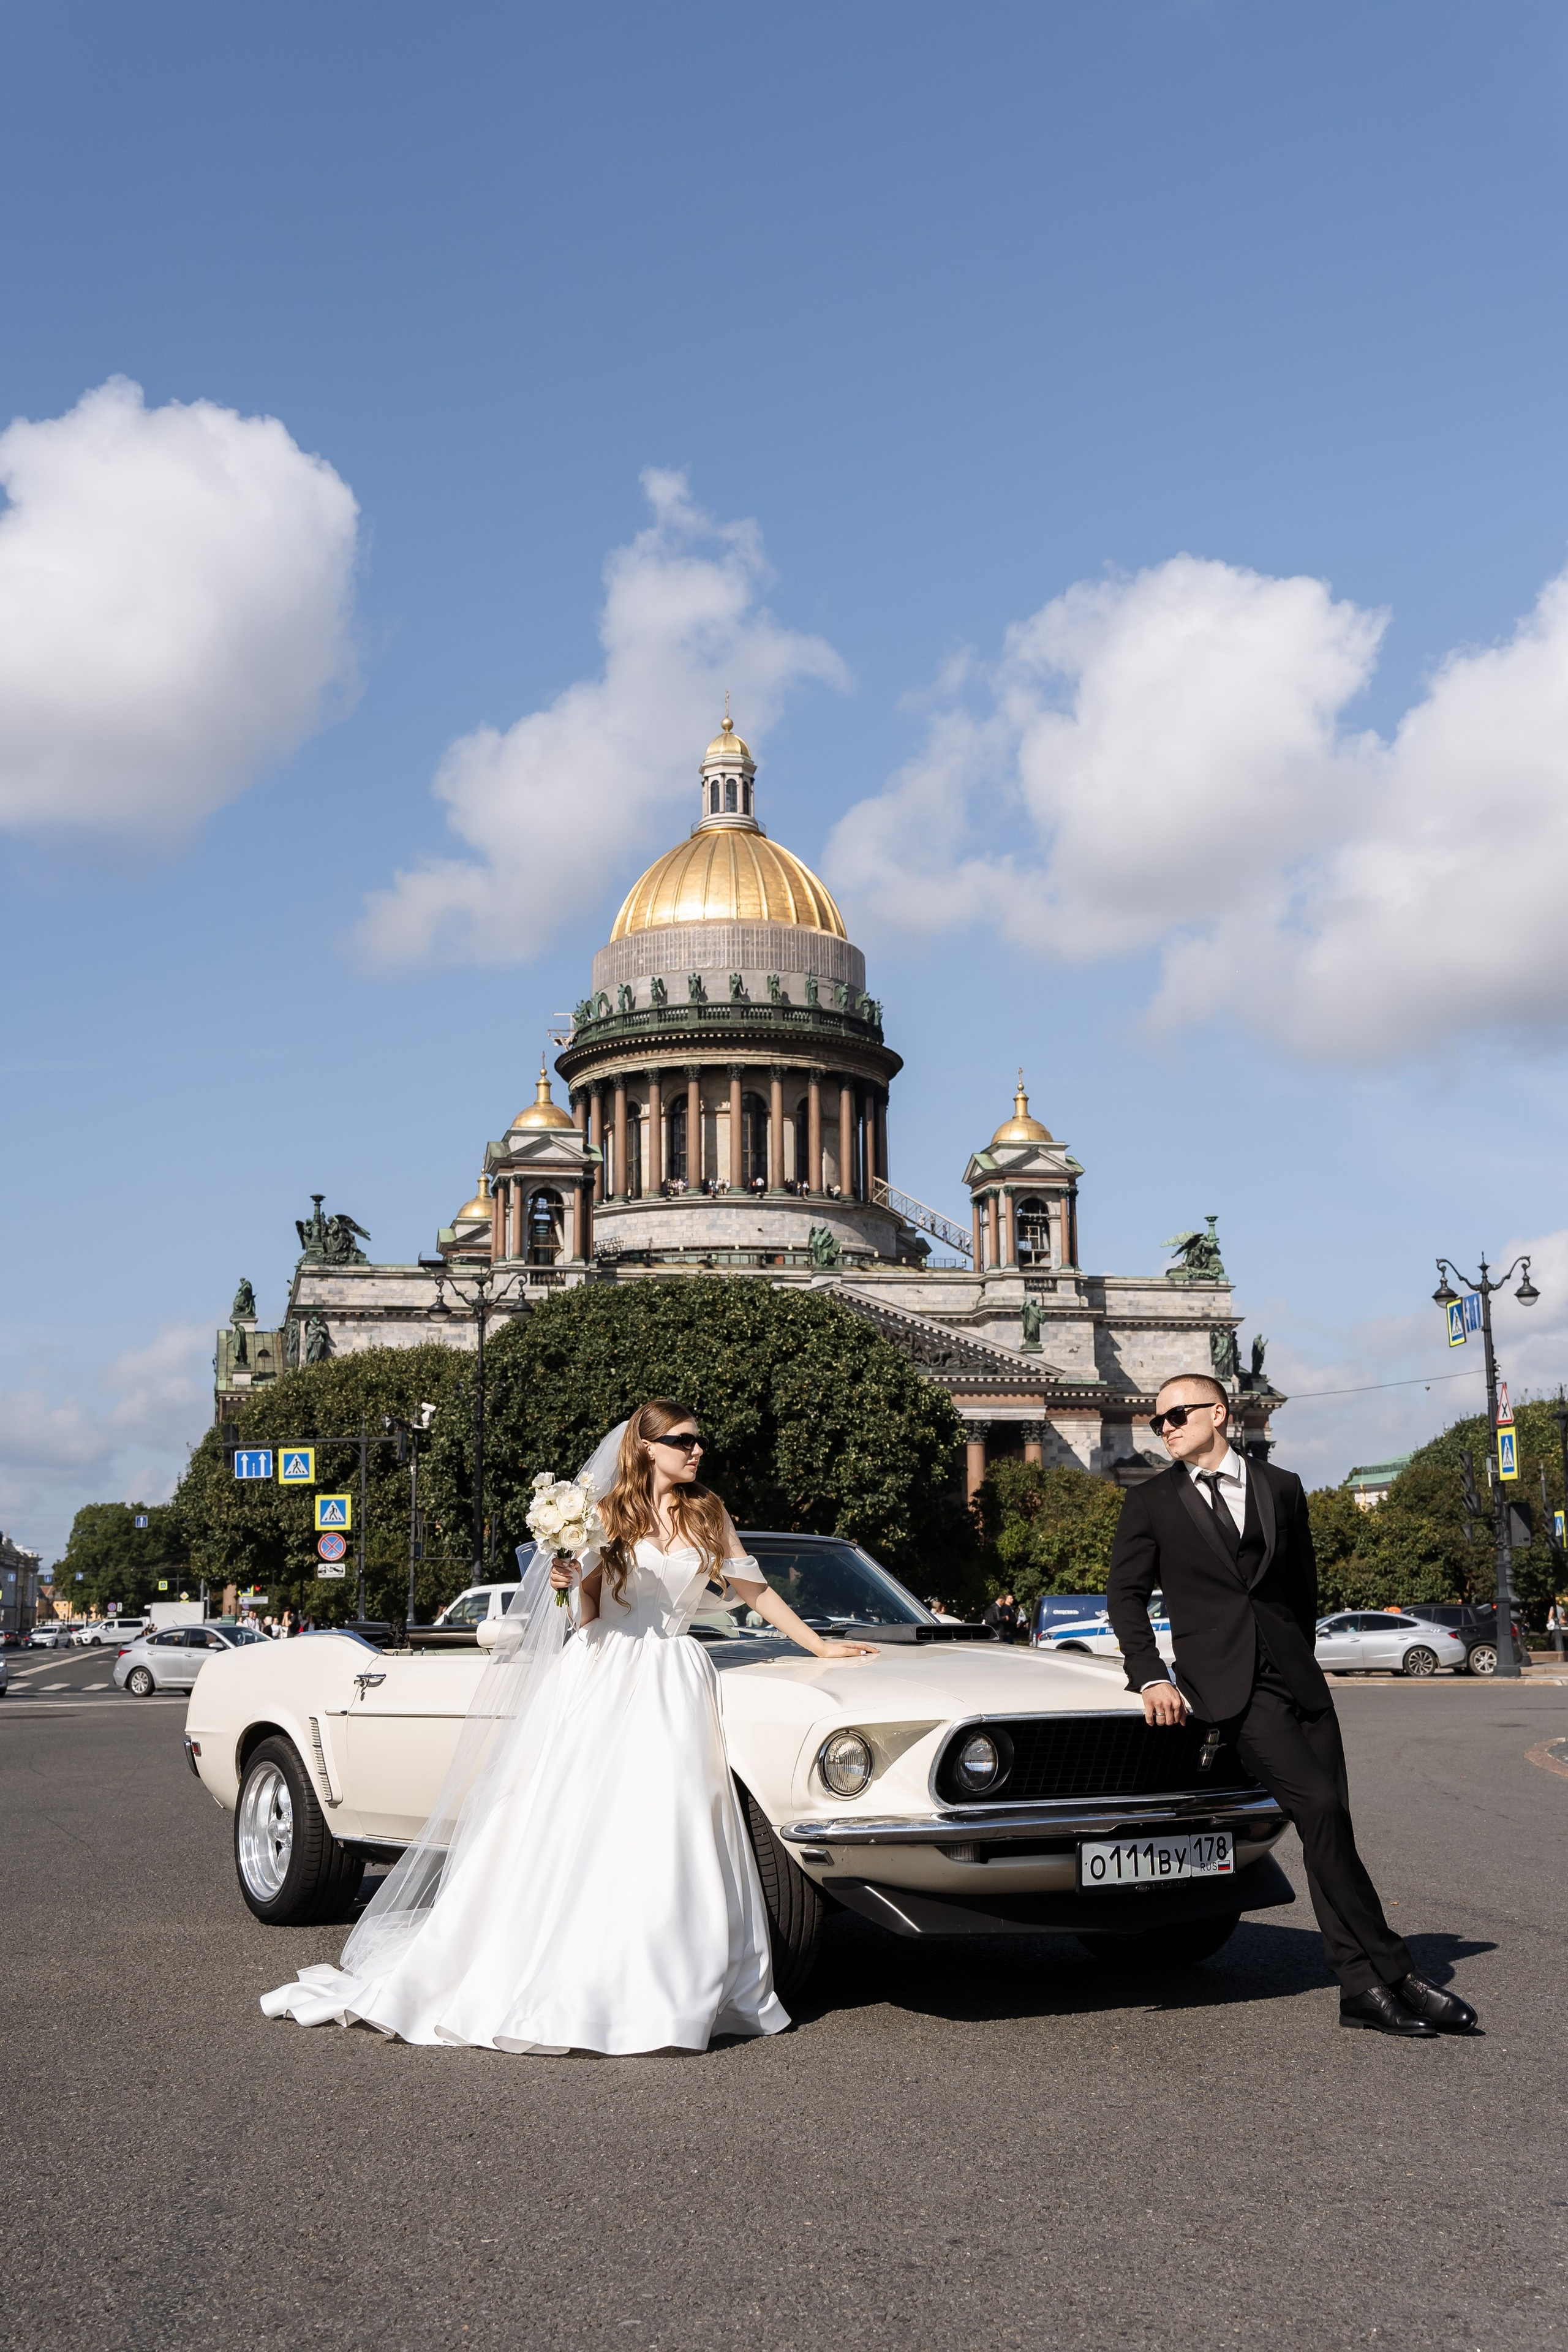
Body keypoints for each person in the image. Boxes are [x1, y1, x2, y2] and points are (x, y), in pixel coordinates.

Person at [260, 1398, 876, 2054]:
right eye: (684, 1441)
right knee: (579, 1817)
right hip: (604, 1671)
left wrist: (818, 1646)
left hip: (675, 1674)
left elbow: (755, 1591)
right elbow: (583, 1616)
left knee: (676, 1819)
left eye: (699, 1442)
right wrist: (566, 1575)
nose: (697, 1451)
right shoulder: (605, 1514)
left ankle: (672, 1979)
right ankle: (572, 1975)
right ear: (645, 1447)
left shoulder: (708, 1512)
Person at [1107, 1373, 1478, 2040]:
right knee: (1320, 1810)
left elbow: (1300, 1588)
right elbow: (1125, 1599)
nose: (1163, 1429)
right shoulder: (1151, 1503)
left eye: (1176, 1415)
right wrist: (1150, 1677)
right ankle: (1394, 1971)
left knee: (1329, 1830)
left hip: (1298, 1681)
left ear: (1218, 1412)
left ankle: (1360, 1989)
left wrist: (1298, 1660)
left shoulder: (1282, 1487)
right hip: (1229, 1690)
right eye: (1155, 1421)